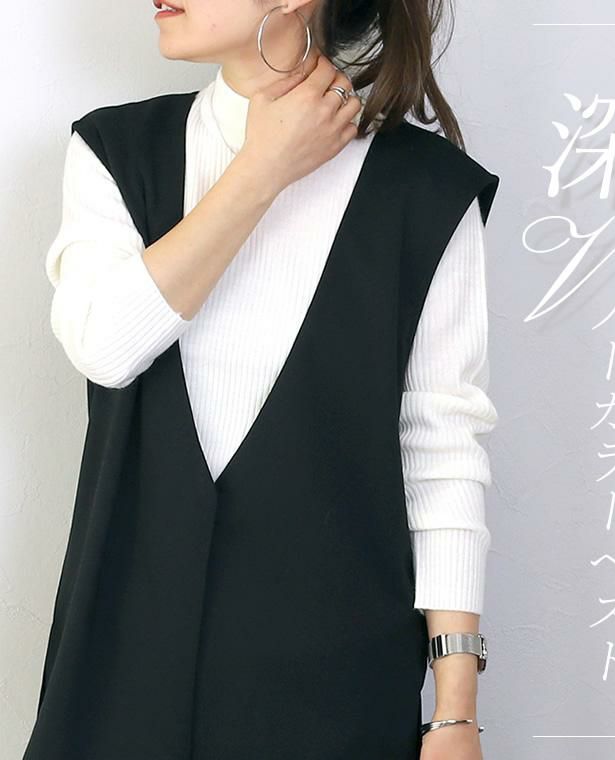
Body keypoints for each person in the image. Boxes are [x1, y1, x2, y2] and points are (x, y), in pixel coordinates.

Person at [24, 1, 500, 758]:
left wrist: (455, 713)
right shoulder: (117, 151)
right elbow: (105, 347)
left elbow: (442, 452)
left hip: (334, 682)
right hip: (122, 665)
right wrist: (263, 168)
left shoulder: (427, 191)